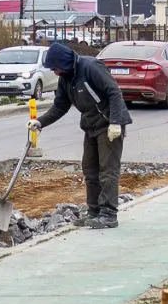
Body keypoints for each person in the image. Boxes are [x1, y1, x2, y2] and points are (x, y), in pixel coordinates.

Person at [27, 41, 131, 229]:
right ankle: (94, 212)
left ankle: (108, 214)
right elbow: (60, 106)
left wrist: (116, 122)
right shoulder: (66, 77)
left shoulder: (90, 67)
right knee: (90, 170)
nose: (55, 72)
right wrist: (40, 122)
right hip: (91, 127)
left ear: (64, 62)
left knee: (107, 170)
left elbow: (114, 92)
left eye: (56, 68)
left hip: (109, 124)